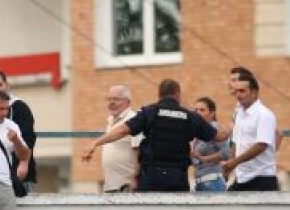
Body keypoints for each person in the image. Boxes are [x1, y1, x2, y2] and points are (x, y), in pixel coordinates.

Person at [82, 79, 227, 193]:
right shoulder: (190, 116)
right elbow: (219, 136)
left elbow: (121, 131)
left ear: (159, 94)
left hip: (152, 178)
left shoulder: (149, 112)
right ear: (178, 94)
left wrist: (96, 143)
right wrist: (232, 128)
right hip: (178, 178)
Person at [223, 75, 279, 192]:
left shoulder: (264, 115)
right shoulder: (239, 114)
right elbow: (236, 143)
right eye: (236, 91)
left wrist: (234, 162)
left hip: (262, 178)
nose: (238, 95)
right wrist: (229, 166)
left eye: (242, 91)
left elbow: (261, 145)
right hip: (242, 177)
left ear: (254, 92)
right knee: (226, 208)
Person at [0, 70, 37, 190]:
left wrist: (24, 164)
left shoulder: (20, 107)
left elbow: (28, 138)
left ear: (7, 86)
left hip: (18, 175)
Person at [100, 85, 142, 193]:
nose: (111, 102)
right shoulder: (110, 121)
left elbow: (142, 153)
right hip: (111, 186)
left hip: (127, 187)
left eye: (116, 99)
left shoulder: (133, 120)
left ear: (128, 102)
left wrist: (136, 179)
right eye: (109, 99)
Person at [191, 97, 231, 193]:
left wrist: (204, 158)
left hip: (212, 182)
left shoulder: (215, 129)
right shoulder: (199, 131)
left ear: (212, 113)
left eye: (202, 110)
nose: (197, 113)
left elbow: (226, 153)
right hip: (201, 182)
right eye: (195, 110)